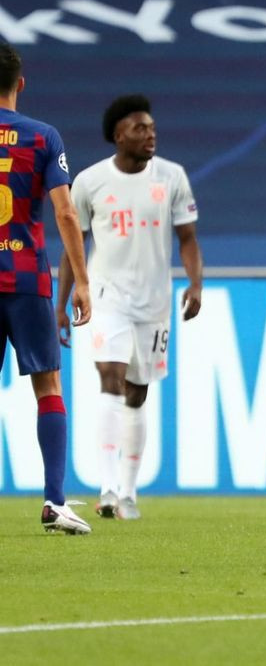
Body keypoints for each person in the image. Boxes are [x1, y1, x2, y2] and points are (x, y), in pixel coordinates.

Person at [56, 95, 203, 521]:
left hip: (154, 302)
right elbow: (73, 247)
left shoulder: (172, 177)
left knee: (138, 391)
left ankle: (129, 490)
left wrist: (195, 284)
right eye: (140, 128)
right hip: (107, 296)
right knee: (110, 376)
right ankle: (106, 489)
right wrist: (62, 303)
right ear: (119, 135)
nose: (150, 134)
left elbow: (188, 237)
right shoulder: (89, 181)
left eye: (152, 128)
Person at [0, 41, 93, 534]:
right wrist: (79, 280)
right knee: (48, 387)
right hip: (26, 279)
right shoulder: (42, 137)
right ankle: (54, 502)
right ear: (21, 82)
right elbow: (66, 212)